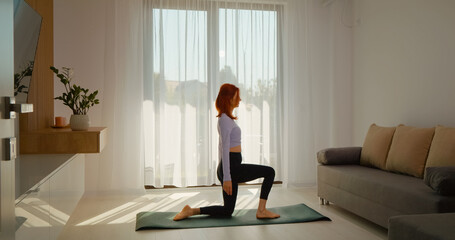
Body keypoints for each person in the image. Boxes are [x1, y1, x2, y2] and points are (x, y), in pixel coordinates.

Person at [173, 83, 280, 221]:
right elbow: (224, 148)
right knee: (269, 172)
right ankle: (261, 210)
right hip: (231, 168)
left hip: (230, 167)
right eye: (237, 96)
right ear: (230, 98)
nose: (240, 99)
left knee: (227, 210)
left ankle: (191, 211)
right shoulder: (224, 120)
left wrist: (224, 172)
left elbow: (220, 146)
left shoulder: (226, 119)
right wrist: (227, 177)